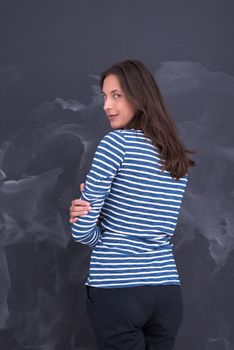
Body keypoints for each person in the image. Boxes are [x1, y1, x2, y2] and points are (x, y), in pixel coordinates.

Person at [70, 59, 194, 350]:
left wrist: (91, 223)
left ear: (140, 96)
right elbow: (157, 228)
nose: (106, 106)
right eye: (104, 96)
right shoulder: (175, 157)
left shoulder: (116, 144)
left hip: (117, 289)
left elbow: (82, 234)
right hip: (166, 293)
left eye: (117, 95)